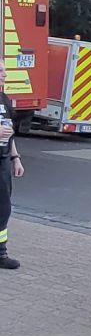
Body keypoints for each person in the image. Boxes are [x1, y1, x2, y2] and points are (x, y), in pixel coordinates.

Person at [0, 62, 26, 270]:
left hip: (3, 161)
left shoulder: (4, 99)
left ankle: (1, 253)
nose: (5, 74)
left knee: (3, 207)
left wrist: (15, 158)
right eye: (0, 71)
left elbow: (9, 133)